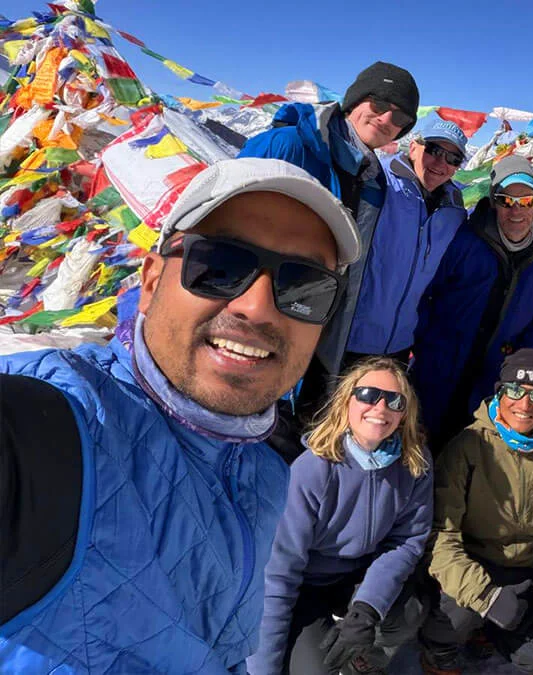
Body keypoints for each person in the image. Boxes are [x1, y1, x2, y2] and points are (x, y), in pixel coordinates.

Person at [0, 158, 360, 672]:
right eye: (219, 266)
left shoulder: (264, 471)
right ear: (150, 281)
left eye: (304, 288)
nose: (257, 307)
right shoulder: (53, 423)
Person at [240, 61, 419, 415]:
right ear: (354, 100)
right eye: (379, 104)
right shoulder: (287, 146)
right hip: (261, 313)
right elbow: (225, 227)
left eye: (400, 117)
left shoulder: (373, 181)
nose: (386, 119)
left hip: (322, 329)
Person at [250, 357, 432, 675]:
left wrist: (367, 608)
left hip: (358, 576)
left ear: (404, 413)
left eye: (394, 400)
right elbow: (279, 575)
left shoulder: (414, 463)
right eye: (368, 395)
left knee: (410, 610)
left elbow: (406, 541)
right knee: (314, 669)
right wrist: (262, 668)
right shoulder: (313, 471)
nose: (380, 407)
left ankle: (362, 658)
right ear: (346, 402)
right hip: (307, 585)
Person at [420, 349, 533, 674]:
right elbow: (439, 534)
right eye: (515, 391)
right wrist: (485, 596)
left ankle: (491, 631)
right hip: (467, 565)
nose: (524, 405)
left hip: (520, 570)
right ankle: (439, 648)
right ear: (500, 392)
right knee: (450, 621)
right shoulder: (468, 446)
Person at [410, 155, 533, 449]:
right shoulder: (465, 239)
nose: (516, 210)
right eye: (506, 201)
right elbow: (427, 291)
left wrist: (522, 354)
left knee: (476, 451)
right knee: (422, 444)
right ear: (494, 201)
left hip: (497, 375)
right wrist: (427, 341)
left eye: (526, 201)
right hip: (439, 366)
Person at [342, 120, 469, 369]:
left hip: (400, 343)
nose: (441, 163)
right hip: (347, 337)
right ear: (413, 147)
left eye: (453, 158)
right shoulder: (376, 180)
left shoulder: (454, 210)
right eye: (434, 150)